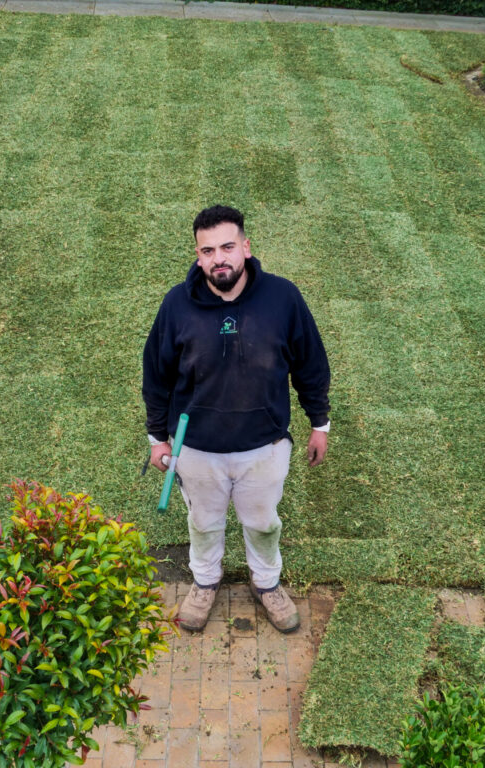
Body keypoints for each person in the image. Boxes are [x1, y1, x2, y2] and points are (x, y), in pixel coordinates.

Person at [143, 205, 331, 634]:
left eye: (227, 247)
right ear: (197, 256)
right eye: (207, 251)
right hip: (197, 449)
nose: (218, 259)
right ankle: (205, 581)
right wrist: (158, 438)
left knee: (263, 522)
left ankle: (266, 584)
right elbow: (156, 374)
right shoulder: (176, 305)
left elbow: (310, 364)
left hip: (264, 446)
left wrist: (319, 423)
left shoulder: (283, 298)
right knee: (204, 523)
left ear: (246, 247)